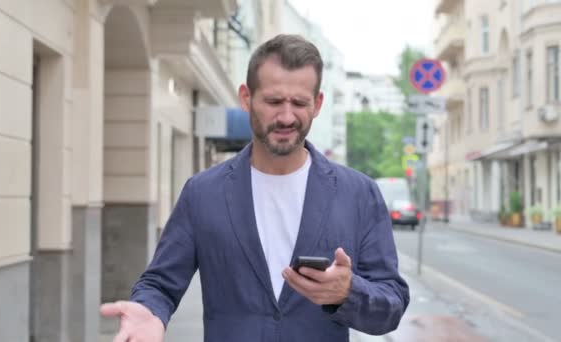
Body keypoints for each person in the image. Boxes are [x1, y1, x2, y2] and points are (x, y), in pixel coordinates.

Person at [100, 34, 410, 342]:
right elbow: (160, 283)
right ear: (247, 98)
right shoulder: (203, 193)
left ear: (317, 104)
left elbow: (392, 304)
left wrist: (348, 292)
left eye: (299, 103)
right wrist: (149, 311)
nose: (286, 116)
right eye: (274, 101)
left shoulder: (358, 194)